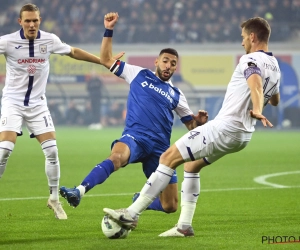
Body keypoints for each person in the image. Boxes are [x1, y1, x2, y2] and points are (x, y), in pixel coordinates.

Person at [103, 16, 281, 237]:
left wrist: (256, 108)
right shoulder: (274, 66)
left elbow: (254, 82)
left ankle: (130, 213)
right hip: (243, 136)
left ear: (253, 37)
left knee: (167, 158)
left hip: (226, 128)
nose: (242, 42)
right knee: (191, 166)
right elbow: (275, 98)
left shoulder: (249, 60)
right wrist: (261, 104)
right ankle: (184, 226)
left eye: (243, 37)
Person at [59, 12, 208, 217]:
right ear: (157, 61)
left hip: (160, 149)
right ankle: (79, 190)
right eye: (165, 61)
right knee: (117, 157)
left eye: (173, 63)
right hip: (136, 137)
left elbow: (190, 125)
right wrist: (109, 29)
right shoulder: (138, 73)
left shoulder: (177, 95)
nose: (168, 66)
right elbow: (104, 59)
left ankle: (141, 201)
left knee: (171, 205)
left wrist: (198, 122)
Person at [0, 3, 123, 220]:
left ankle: (54, 199)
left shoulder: (49, 39)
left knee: (53, 152)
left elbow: (73, 52)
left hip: (38, 105)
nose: (31, 24)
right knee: (4, 150)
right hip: (13, 103)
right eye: (27, 21)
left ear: (40, 20)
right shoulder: (7, 41)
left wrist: (102, 61)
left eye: (35, 20)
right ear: (20, 22)